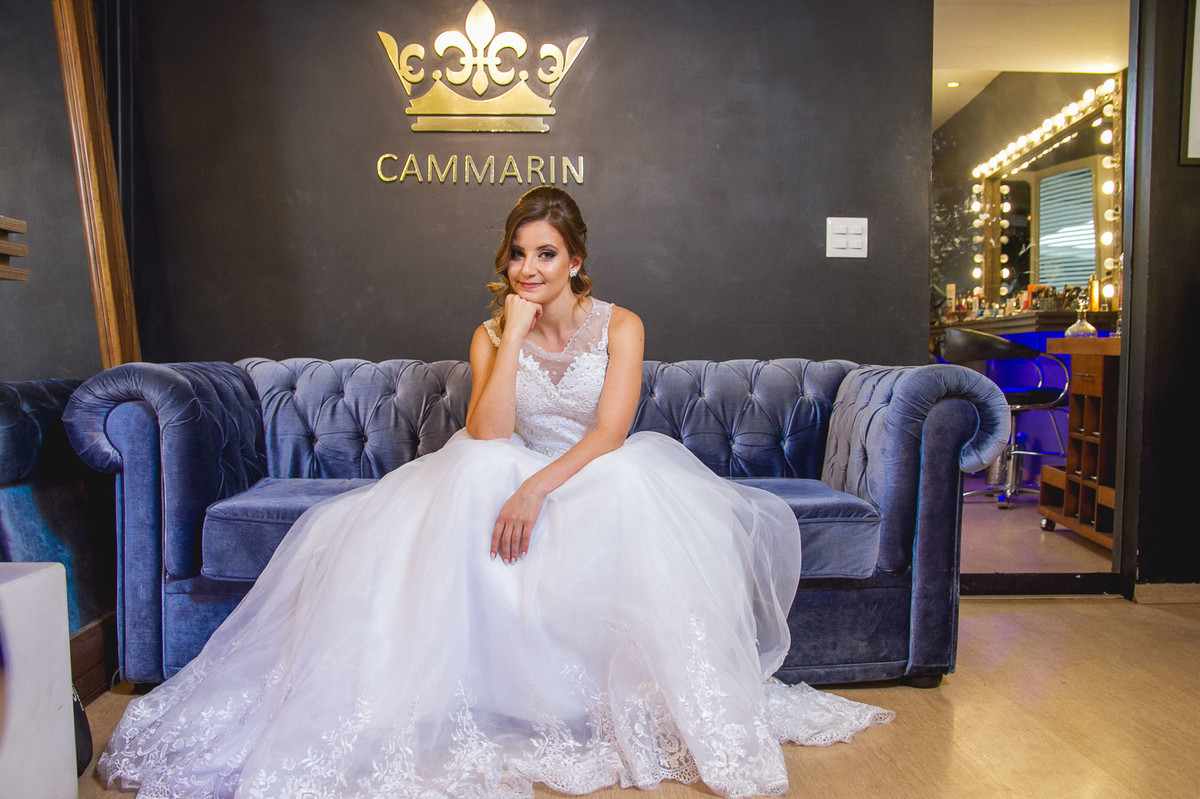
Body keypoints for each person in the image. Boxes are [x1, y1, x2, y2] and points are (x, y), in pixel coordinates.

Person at [97, 187, 891, 799]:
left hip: (592, 472)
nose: (529, 269)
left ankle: (601, 691)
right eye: (518, 254)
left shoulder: (622, 326)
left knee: (619, 480)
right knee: (478, 468)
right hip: (506, 465)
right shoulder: (489, 334)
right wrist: (512, 336)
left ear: (576, 260)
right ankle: (485, 690)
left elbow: (610, 432)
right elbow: (487, 430)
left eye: (546, 254)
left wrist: (538, 488)